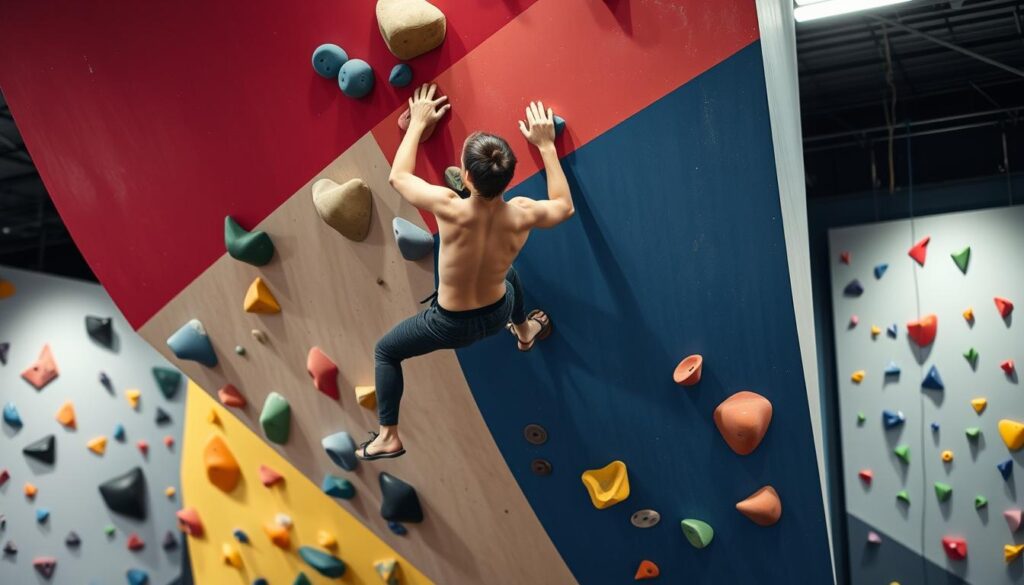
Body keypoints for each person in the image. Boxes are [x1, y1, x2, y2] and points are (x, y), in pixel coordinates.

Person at [358, 83, 575, 460]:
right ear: (508, 177)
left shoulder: (449, 206)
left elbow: (399, 177)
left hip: (449, 325)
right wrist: (546, 146)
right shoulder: (523, 213)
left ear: (465, 177)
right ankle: (524, 330)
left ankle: (388, 436)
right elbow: (564, 205)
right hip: (499, 310)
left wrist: (417, 123)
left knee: (386, 351)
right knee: (507, 273)